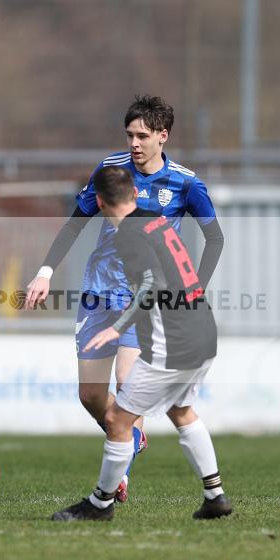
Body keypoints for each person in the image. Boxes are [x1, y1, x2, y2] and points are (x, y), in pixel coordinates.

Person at [25, 95, 224, 503]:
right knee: (90, 396)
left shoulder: (186, 184)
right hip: (99, 293)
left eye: (143, 136)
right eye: (130, 135)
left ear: (163, 136)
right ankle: (130, 437)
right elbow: (76, 224)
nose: (134, 143)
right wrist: (44, 272)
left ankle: (117, 480)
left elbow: (215, 238)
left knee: (126, 386)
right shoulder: (110, 171)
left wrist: (195, 288)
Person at [51, 166, 231, 522]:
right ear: (136, 193)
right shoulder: (157, 220)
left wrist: (117, 327)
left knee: (118, 418)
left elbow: (148, 285)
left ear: (99, 202)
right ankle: (215, 497)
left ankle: (99, 505)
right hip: (202, 331)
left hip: (174, 341)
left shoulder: (128, 237)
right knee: (181, 410)